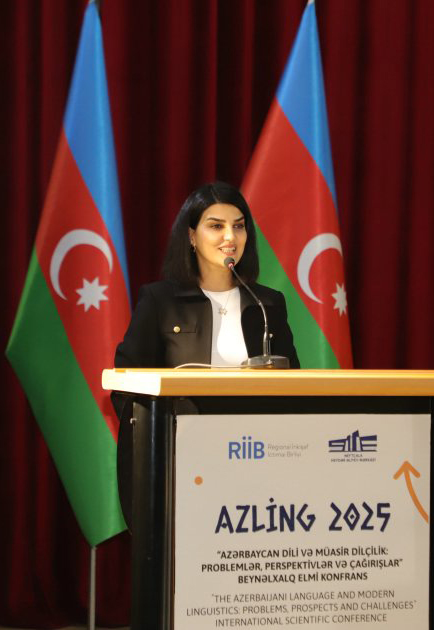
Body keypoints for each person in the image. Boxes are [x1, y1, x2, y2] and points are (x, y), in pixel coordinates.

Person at [113, 181, 300, 525]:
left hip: (256, 467)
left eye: (239, 226)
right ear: (191, 236)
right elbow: (125, 387)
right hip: (180, 466)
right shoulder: (160, 301)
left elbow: (295, 386)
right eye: (216, 226)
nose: (230, 236)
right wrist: (158, 442)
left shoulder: (267, 304)